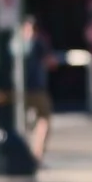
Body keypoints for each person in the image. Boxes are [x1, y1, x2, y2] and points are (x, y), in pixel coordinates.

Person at [16, 16, 55, 161]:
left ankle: (29, 152)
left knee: (24, 122)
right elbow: (50, 61)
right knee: (43, 120)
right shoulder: (38, 43)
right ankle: (36, 153)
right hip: (36, 88)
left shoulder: (15, 44)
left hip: (21, 89)